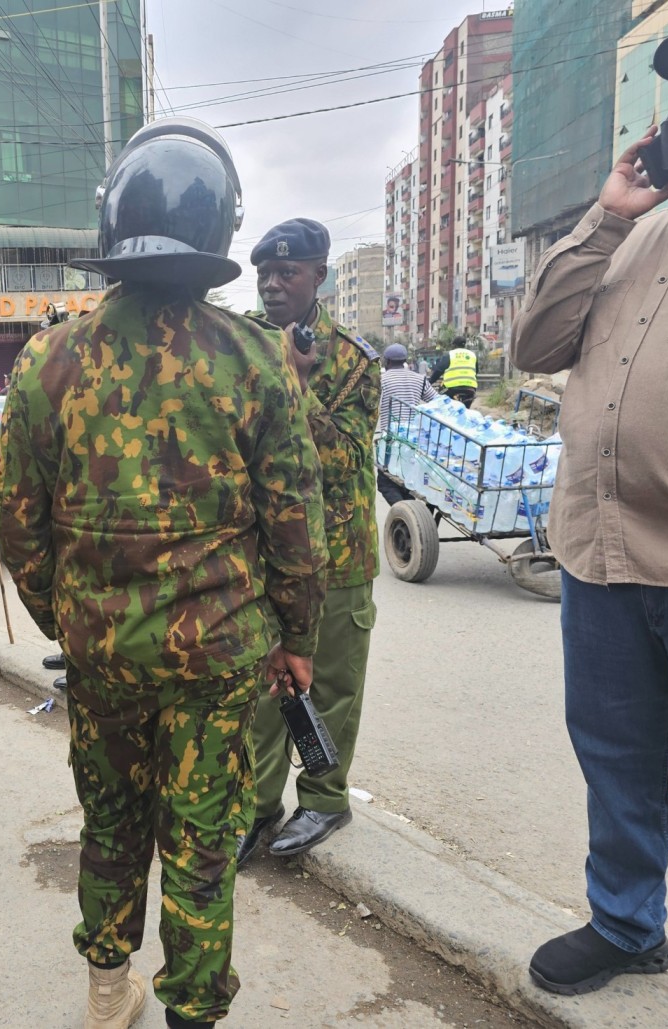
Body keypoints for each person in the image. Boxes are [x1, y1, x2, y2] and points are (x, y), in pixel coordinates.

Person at [0, 117, 327, 1029]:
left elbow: (16, 520)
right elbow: (297, 523)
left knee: (109, 819)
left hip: (102, 654)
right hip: (219, 659)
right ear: (218, 230)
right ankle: (190, 1009)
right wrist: (297, 639)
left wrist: (67, 617)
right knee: (201, 833)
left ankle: (108, 988)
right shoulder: (257, 359)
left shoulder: (49, 359)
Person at [511, 26, 668, 998]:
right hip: (600, 561)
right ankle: (627, 924)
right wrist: (601, 220)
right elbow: (537, 344)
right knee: (619, 762)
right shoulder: (633, 233)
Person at [239, 218, 380, 864]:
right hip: (262, 555)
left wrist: (292, 383)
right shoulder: (240, 347)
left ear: (318, 275)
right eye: (263, 272)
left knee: (330, 687)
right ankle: (255, 805)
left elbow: (346, 459)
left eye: (286, 272)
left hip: (339, 554)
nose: (271, 284)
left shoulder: (350, 359)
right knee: (262, 691)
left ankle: (324, 798)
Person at [376, 343, 436, 506]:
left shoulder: (381, 380)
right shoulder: (419, 379)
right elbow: (436, 402)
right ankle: (413, 514)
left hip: (392, 441)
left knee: (386, 483)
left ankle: (407, 516)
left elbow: (373, 406)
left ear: (386, 361)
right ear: (405, 360)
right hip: (415, 441)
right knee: (408, 480)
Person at [427, 336, 478, 407]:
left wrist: (429, 382)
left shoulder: (449, 354)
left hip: (451, 389)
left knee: (440, 395)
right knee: (467, 406)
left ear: (454, 345)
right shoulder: (472, 355)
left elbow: (438, 371)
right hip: (471, 389)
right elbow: (476, 371)